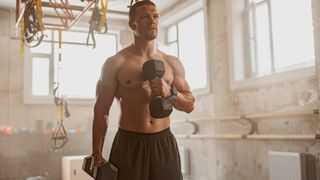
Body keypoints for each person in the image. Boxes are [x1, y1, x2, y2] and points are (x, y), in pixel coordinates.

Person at [91, 1, 195, 179]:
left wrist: (170, 92)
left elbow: (189, 105)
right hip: (129, 144)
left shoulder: (172, 63)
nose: (152, 21)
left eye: (155, 16)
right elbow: (101, 111)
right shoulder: (116, 63)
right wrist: (97, 153)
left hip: (163, 143)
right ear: (132, 24)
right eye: (145, 16)